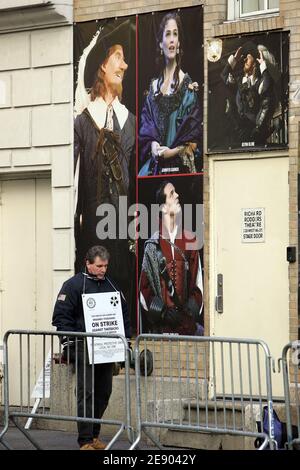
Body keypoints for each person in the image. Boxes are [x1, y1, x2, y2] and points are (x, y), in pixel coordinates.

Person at [74, 20, 136, 309]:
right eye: (118, 58)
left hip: (121, 232)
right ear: (102, 66)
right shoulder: (83, 121)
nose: (124, 66)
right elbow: (74, 185)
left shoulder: (130, 121)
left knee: (120, 292)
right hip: (92, 232)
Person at [52, 245, 131, 450]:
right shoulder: (72, 285)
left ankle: (94, 436)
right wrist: (69, 344)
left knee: (104, 393)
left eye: (105, 266)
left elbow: (123, 316)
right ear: (87, 263)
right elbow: (61, 317)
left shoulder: (112, 285)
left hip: (106, 348)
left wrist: (125, 345)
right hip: (82, 348)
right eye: (98, 266)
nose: (103, 270)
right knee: (86, 394)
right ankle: (85, 441)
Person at [138, 12, 202, 176]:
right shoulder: (152, 88)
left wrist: (171, 152)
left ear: (179, 42)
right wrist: (153, 146)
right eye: (168, 34)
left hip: (179, 171)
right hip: (154, 169)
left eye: (175, 34)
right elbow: (146, 127)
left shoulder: (188, 86)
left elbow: (194, 137)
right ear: (161, 43)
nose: (172, 39)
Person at [139, 180, 203, 335]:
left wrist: (190, 309)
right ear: (163, 207)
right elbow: (144, 289)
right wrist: (163, 313)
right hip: (162, 328)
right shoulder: (152, 245)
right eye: (172, 193)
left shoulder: (190, 240)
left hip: (187, 327)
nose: (177, 195)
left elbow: (198, 282)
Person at [221, 41, 277, 146]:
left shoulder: (260, 83)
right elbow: (224, 76)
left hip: (256, 134)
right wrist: (234, 60)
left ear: (255, 62)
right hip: (239, 135)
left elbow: (267, 91)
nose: (245, 59)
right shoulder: (239, 82)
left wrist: (263, 66)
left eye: (248, 57)